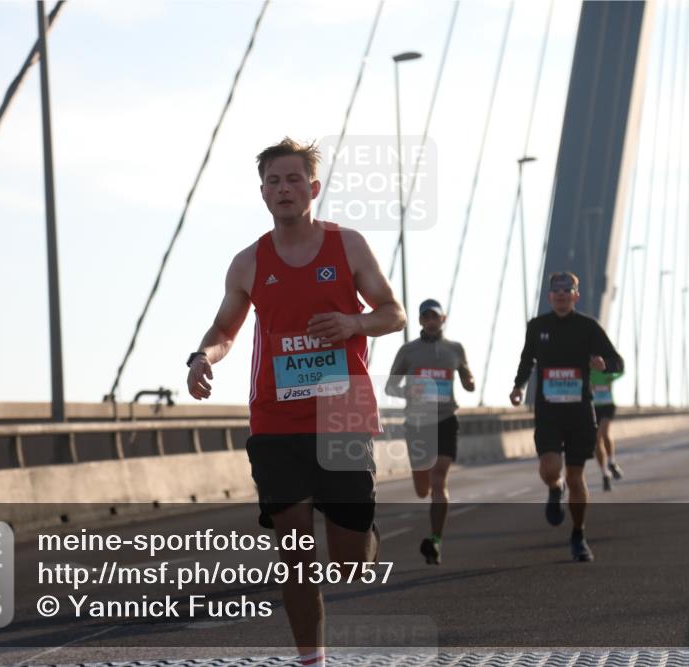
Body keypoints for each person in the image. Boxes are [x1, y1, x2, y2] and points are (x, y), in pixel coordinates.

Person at [186, 138, 406, 666]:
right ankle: (313, 660)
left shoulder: (347, 246)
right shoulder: (248, 262)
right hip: (276, 421)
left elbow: (393, 313)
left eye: (293, 180)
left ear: (313, 188)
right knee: (296, 554)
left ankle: (362, 532)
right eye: (273, 181)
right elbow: (224, 329)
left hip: (343, 414)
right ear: (262, 193)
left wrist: (353, 322)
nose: (283, 189)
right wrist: (202, 358)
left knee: (350, 564)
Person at [510, 272, 624, 562]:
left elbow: (617, 361)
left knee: (576, 476)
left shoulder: (588, 327)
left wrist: (604, 364)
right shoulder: (537, 326)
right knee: (550, 469)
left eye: (567, 289)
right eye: (556, 289)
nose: (561, 293)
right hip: (548, 412)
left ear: (576, 295)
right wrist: (518, 386)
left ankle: (578, 535)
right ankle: (554, 487)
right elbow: (527, 359)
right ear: (549, 296)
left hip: (580, 412)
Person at [386, 298, 475, 564]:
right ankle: (432, 521)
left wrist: (469, 381)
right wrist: (408, 391)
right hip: (417, 423)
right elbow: (390, 387)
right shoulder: (408, 351)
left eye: (435, 316)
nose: (431, 321)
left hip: (446, 420)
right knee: (422, 489)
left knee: (439, 479)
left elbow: (467, 378)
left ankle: (435, 540)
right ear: (420, 321)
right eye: (426, 317)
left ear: (443, 319)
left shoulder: (455, 349)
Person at [590, 367, 624, 491]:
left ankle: (612, 462)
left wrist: (612, 377)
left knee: (603, 433)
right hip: (594, 407)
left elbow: (620, 369)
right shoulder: (589, 369)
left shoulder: (606, 366)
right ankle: (605, 473)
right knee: (596, 441)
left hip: (608, 405)